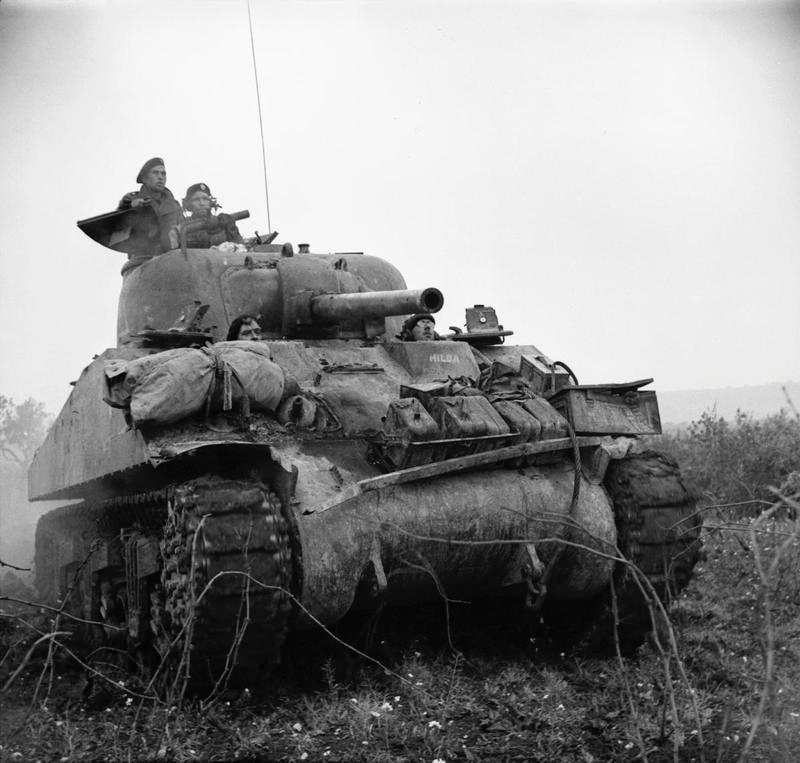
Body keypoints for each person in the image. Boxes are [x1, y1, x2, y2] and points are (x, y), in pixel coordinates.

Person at [115, 157, 182, 265]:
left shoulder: (175, 206)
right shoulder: (131, 200)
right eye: (155, 173)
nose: (160, 177)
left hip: (171, 261)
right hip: (141, 262)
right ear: (144, 178)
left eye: (163, 174)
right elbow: (117, 223)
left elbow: (182, 234)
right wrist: (131, 207)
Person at [181, 182, 244, 248]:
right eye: (196, 200)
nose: (202, 203)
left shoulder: (224, 222)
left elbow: (240, 249)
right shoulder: (184, 225)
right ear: (189, 204)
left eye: (205, 199)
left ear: (210, 202)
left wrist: (230, 227)